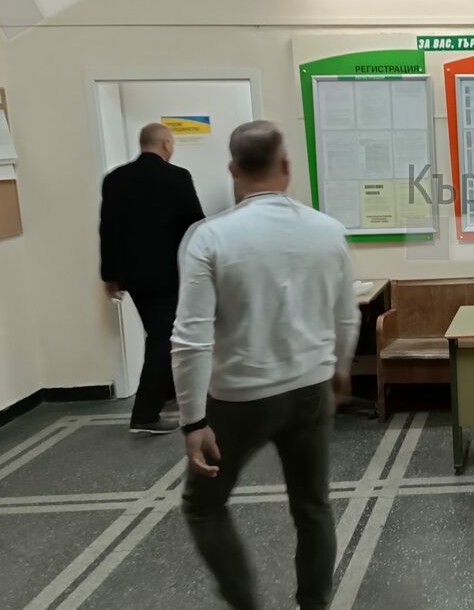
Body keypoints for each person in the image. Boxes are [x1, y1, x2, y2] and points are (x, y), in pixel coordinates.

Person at [172, 120, 360, 610]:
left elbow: (190, 338)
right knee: (313, 505)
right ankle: (314, 603)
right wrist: (341, 368)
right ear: (287, 167)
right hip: (311, 389)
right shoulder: (329, 231)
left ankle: (245, 603)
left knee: (203, 506)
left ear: (233, 169)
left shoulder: (208, 238)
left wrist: (193, 420)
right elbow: (346, 314)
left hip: (239, 398)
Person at [99, 122, 205, 434]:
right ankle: (144, 414)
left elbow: (108, 229)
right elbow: (195, 224)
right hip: (169, 273)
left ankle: (167, 392)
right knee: (163, 337)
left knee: (159, 332)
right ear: (167, 144)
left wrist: (110, 275)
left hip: (132, 275)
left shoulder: (115, 178)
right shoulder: (177, 177)